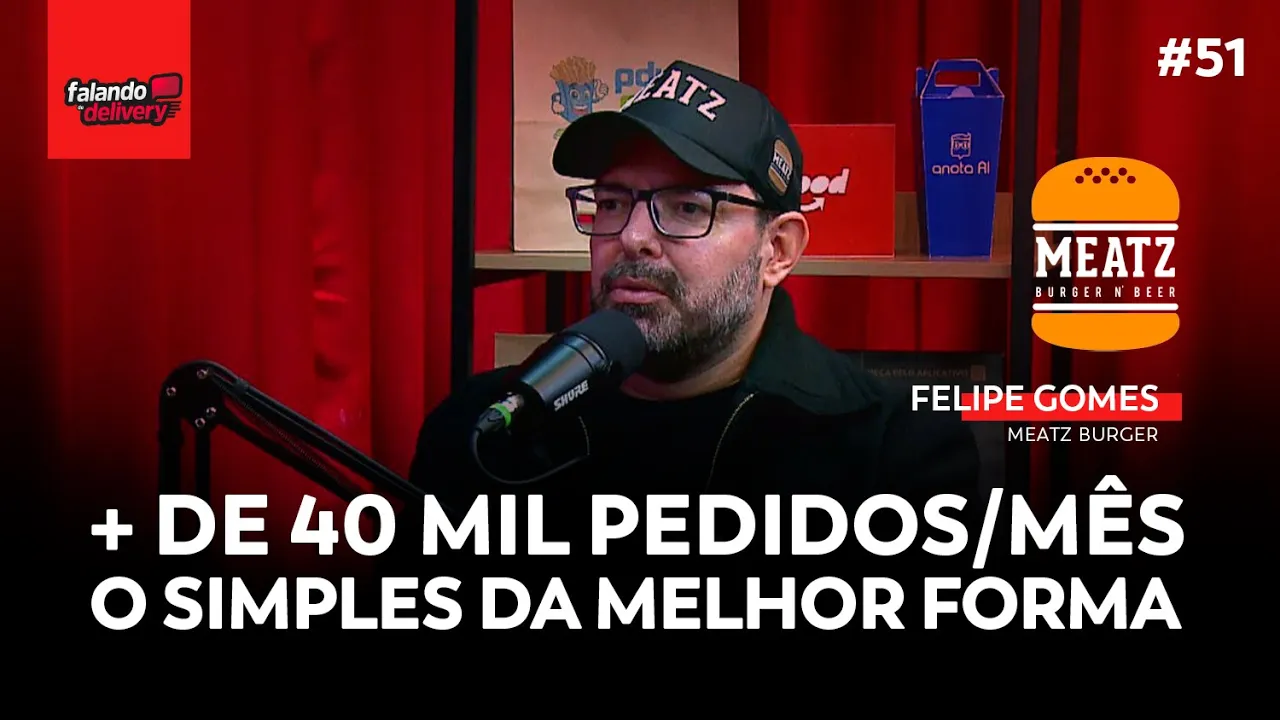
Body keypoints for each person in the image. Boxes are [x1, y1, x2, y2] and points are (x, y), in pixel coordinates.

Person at [399, 61, 980, 628]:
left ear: (777, 250)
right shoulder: (484, 431)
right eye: (612, 202)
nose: (632, 237)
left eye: (687, 208)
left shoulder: (893, 458)